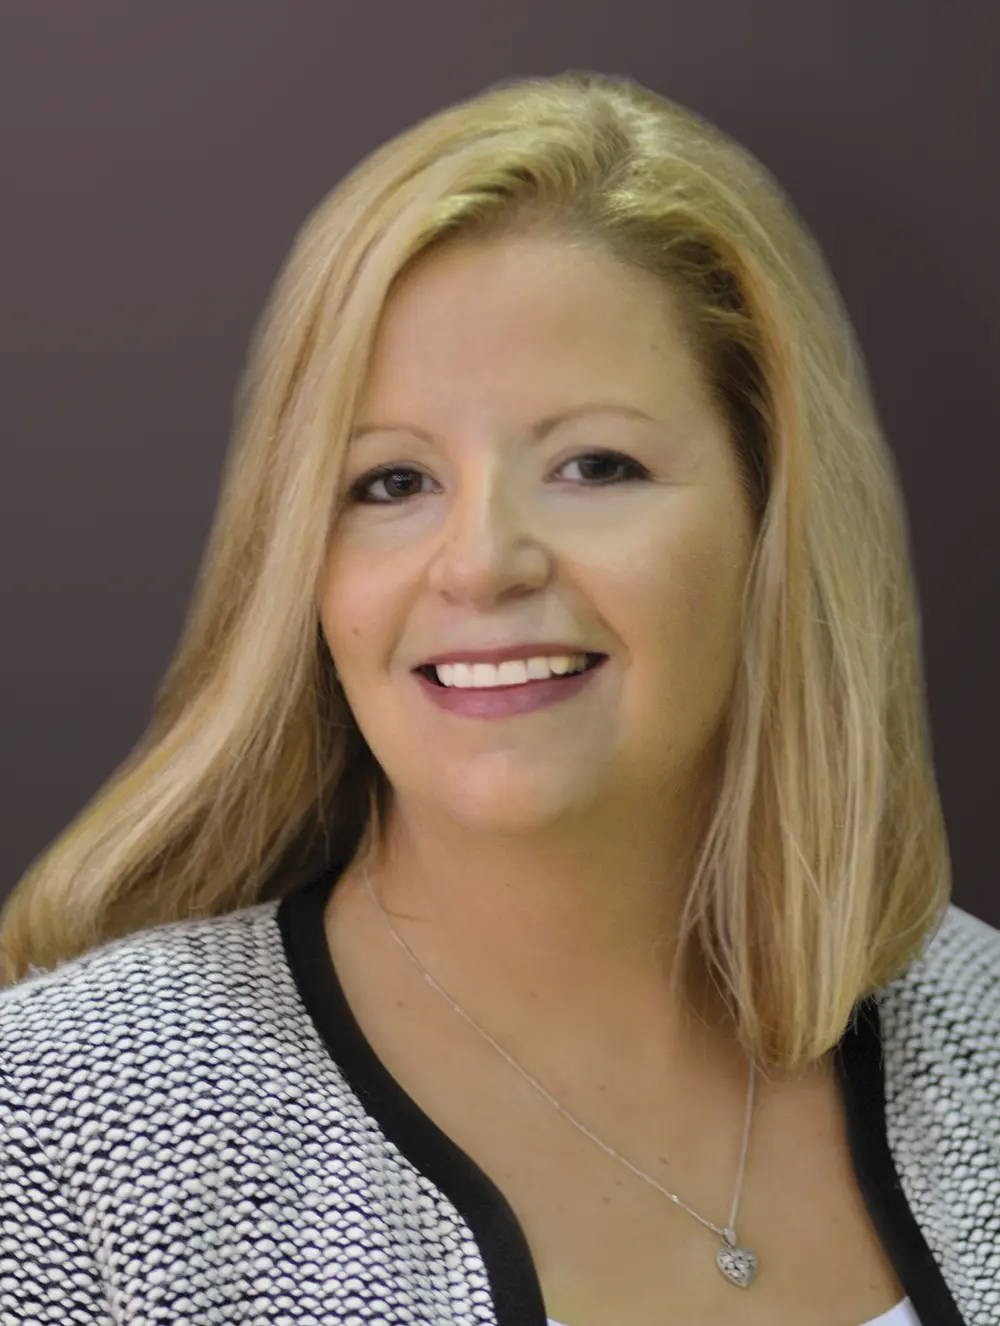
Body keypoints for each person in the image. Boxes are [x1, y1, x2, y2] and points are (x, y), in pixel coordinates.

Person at [0, 69, 996, 1326]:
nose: (481, 560)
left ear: (772, 523)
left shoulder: (983, 1038)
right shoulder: (60, 1123)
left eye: (594, 463)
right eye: (390, 482)